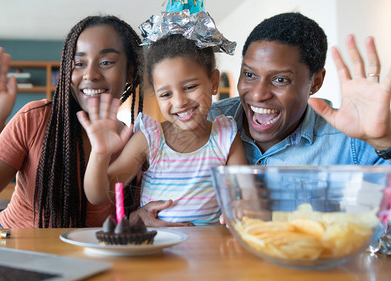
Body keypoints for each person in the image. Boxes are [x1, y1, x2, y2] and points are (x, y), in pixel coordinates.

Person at [136, 12, 391, 226]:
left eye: (280, 79)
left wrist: (385, 142)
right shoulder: (207, 122)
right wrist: (137, 216)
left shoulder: (349, 139)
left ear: (316, 82)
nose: (258, 94)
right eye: (249, 74)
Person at [0, 15, 144, 228]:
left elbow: (122, 214)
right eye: (78, 64)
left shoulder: (136, 141)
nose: (90, 74)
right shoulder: (35, 119)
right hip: (19, 248)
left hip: (89, 255)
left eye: (106, 62)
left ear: (130, 71)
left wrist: (140, 216)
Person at [78, 33, 247, 226]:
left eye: (190, 87)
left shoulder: (226, 136)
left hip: (208, 251)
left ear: (214, 82)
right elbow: (98, 196)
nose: (179, 102)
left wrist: (238, 210)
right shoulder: (150, 138)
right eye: (166, 94)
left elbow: (242, 196)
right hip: (156, 250)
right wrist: (100, 154)